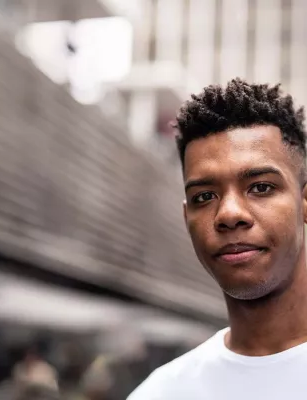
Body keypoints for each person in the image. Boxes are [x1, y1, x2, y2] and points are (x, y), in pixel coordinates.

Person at [127, 78, 307, 400]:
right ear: (187, 219)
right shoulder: (160, 394)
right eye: (204, 196)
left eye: (261, 187)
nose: (228, 214)